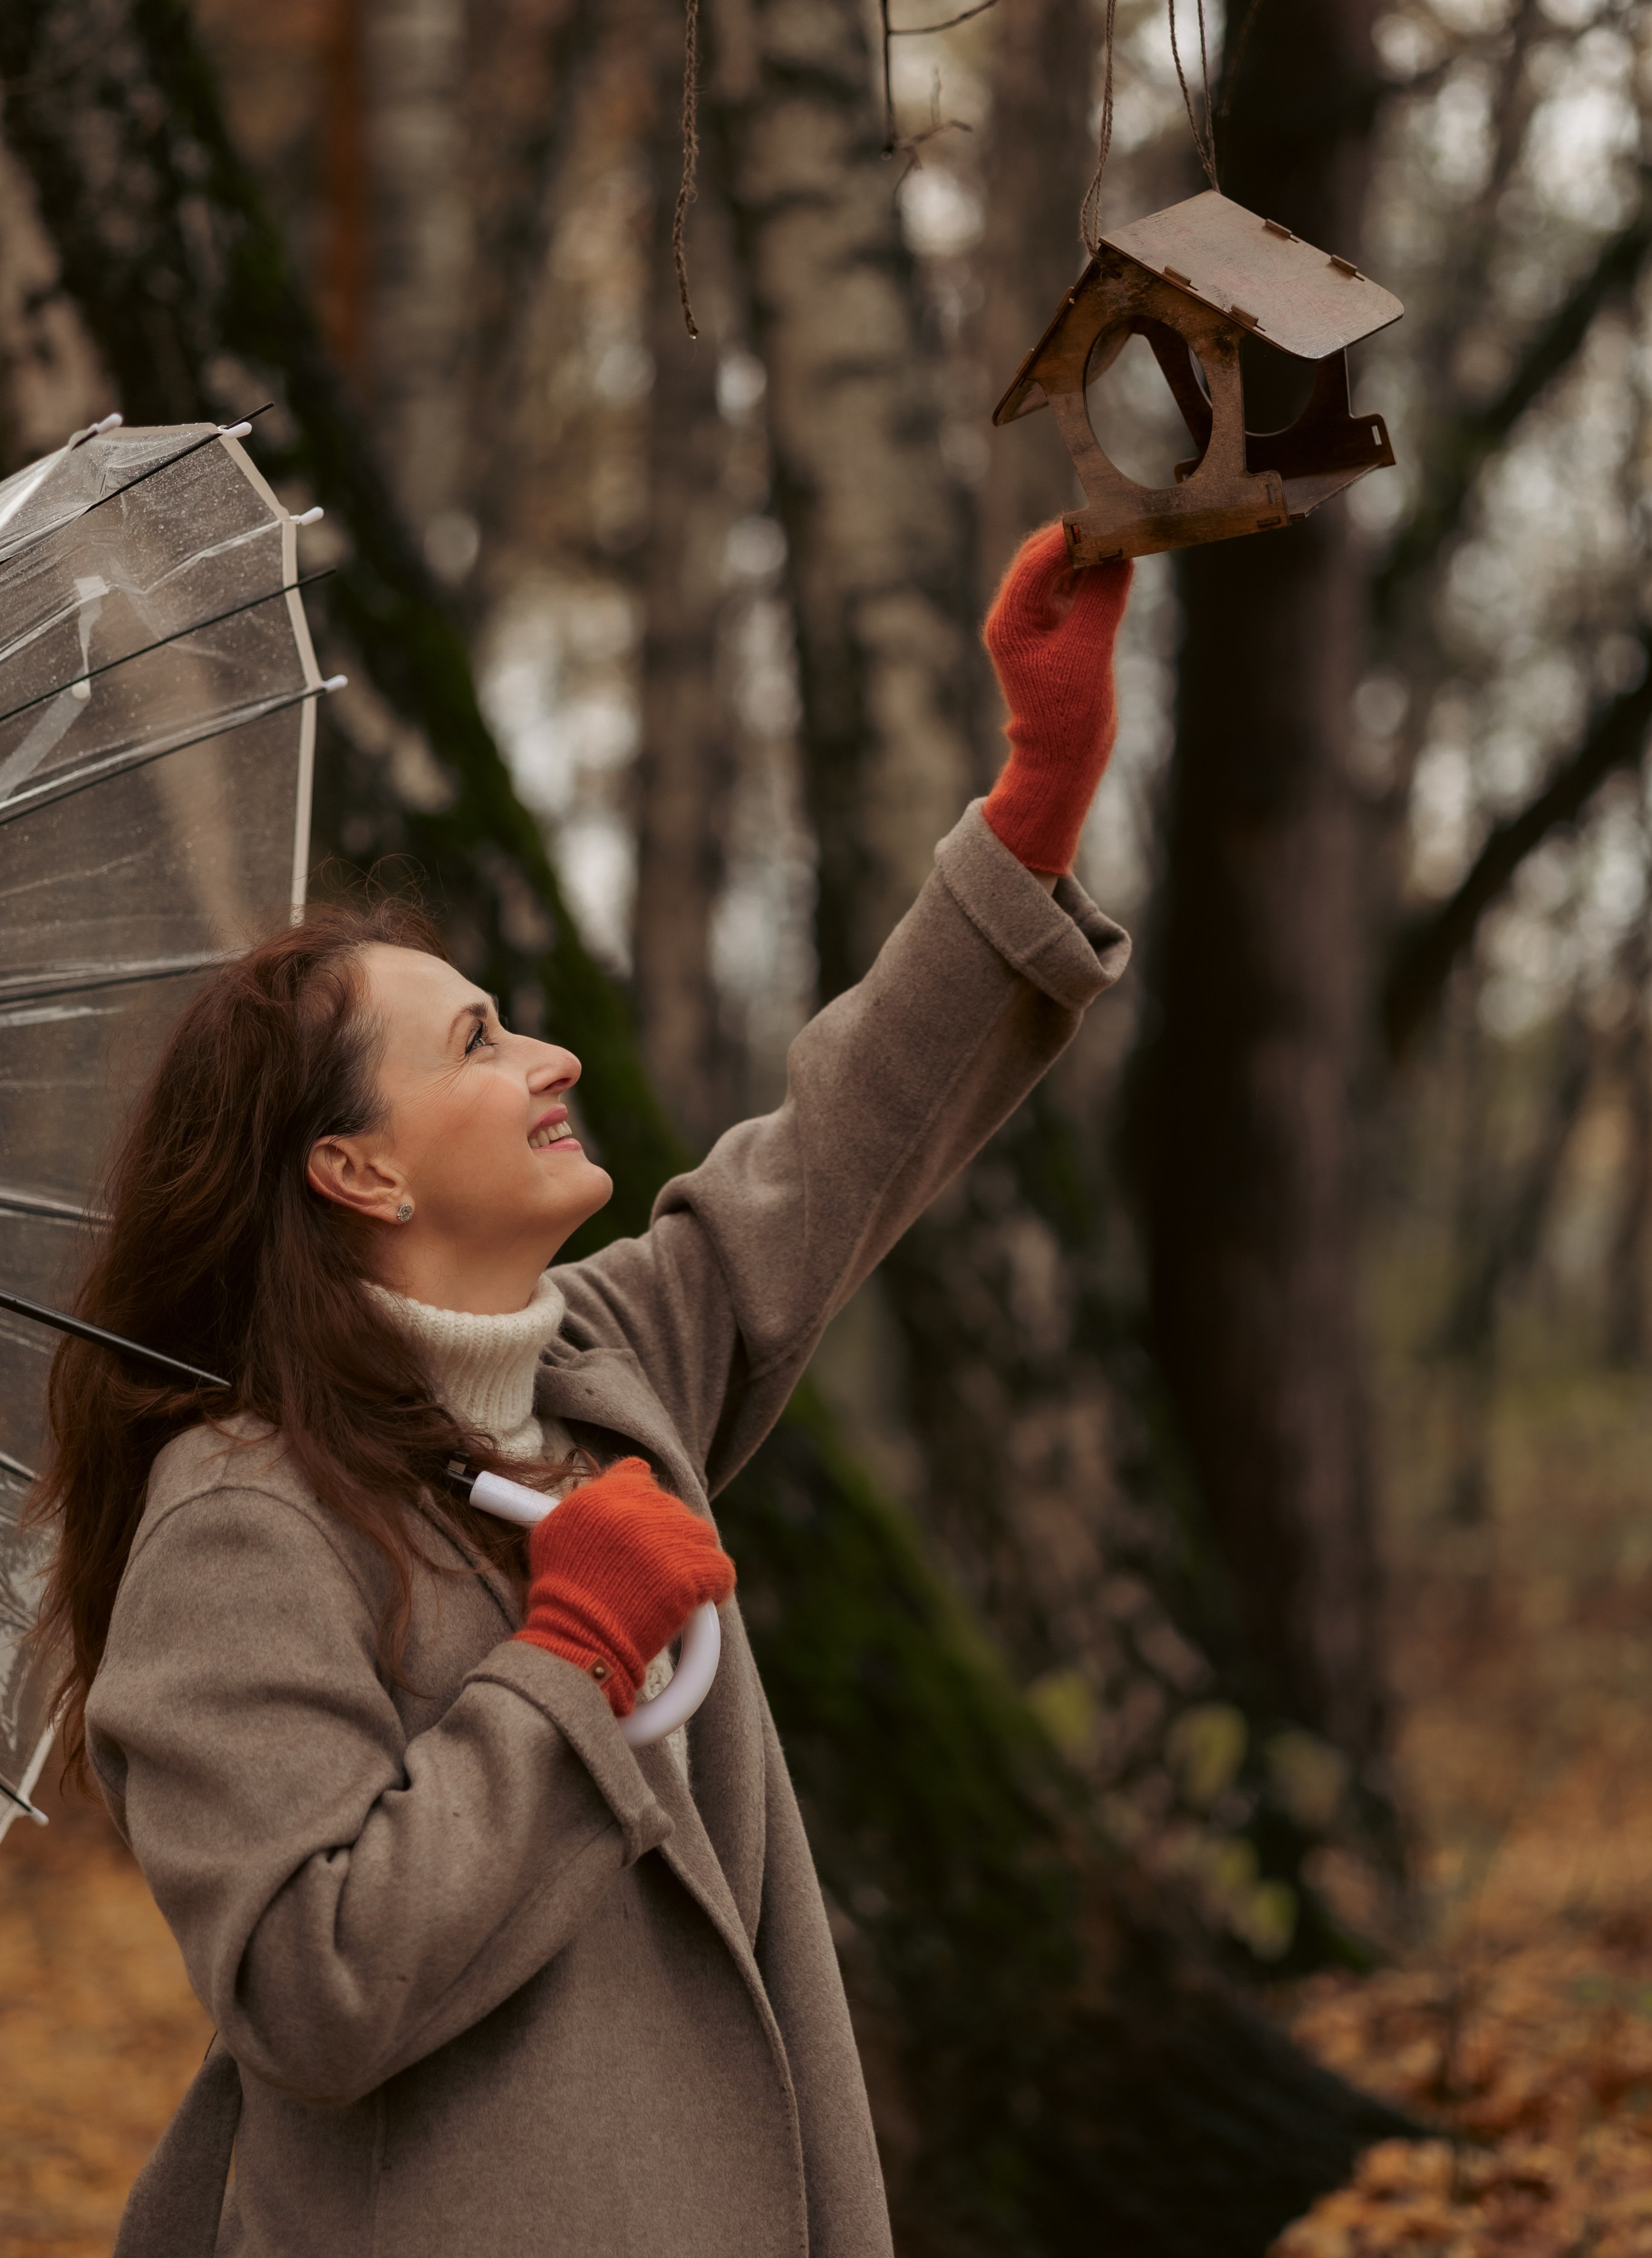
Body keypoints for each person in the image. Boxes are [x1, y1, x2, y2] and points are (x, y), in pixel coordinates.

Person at [34, 524, 1133, 2258]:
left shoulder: (601, 1371)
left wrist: (1037, 801)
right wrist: (573, 1657)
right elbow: (312, 1989)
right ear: (357, 1171)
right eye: (477, 1042)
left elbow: (839, 1149)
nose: (551, 1055)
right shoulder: (242, 1518)